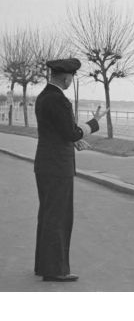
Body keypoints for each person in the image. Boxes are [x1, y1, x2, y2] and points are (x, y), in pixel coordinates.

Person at [34, 58, 107, 282]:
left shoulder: (43, 97)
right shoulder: (59, 101)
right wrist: (94, 123)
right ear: (66, 77)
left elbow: (56, 131)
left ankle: (43, 265)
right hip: (58, 167)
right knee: (59, 218)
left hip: (45, 163)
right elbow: (70, 132)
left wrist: (72, 141)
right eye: (72, 77)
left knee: (47, 216)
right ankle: (55, 270)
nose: (71, 81)